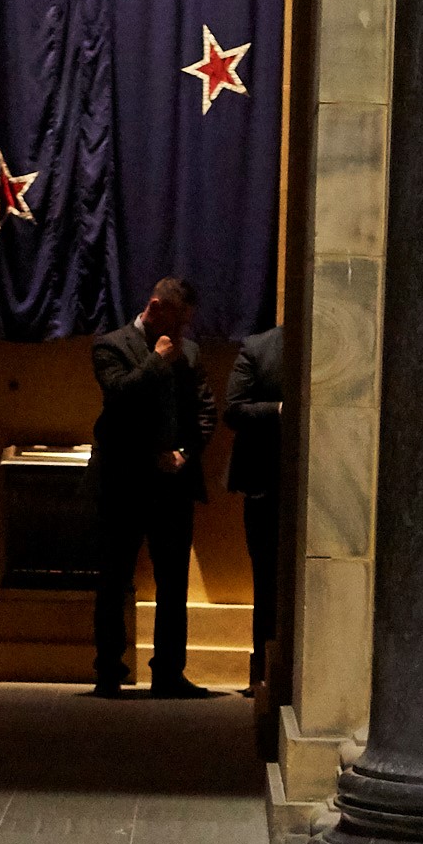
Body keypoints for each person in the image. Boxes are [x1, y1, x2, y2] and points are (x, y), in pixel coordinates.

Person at [88, 277, 216, 699]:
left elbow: (204, 410)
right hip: (123, 482)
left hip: (172, 486)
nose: (182, 334)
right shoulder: (110, 346)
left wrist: (185, 453)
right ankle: (109, 671)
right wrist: (157, 361)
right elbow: (119, 397)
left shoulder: (191, 352)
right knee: (114, 579)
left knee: (173, 583)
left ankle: (168, 674)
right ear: (155, 307)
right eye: (177, 323)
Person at [221, 322, 283, 695]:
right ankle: (262, 667)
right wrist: (278, 409)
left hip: (313, 483)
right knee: (266, 581)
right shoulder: (259, 348)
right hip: (265, 485)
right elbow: (233, 409)